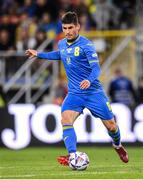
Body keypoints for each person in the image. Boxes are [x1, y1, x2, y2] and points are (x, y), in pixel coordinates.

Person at [25, 11, 129, 166]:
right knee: (65, 119)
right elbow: (59, 54)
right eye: (64, 28)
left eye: (70, 27)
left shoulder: (87, 45)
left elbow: (96, 69)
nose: (67, 31)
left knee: (112, 126)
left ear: (78, 27)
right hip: (74, 93)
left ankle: (117, 145)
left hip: (94, 93)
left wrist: (89, 80)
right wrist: (39, 54)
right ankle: (73, 156)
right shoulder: (62, 43)